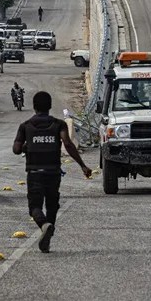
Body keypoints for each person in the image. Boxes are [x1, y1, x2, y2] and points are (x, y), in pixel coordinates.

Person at [13, 91, 92, 252]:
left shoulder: (25, 126)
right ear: (50, 106)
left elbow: (16, 149)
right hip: (53, 172)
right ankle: (48, 235)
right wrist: (82, 166)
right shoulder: (59, 124)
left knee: (35, 207)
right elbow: (68, 144)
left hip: (34, 172)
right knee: (52, 205)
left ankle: (44, 225)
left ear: (34, 106)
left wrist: (26, 146)